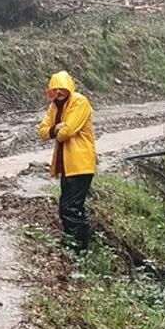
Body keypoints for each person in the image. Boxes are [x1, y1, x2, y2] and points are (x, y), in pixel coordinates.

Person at [38, 71, 97, 252]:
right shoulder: (54, 107)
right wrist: (56, 128)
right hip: (66, 166)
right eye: (55, 90)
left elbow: (67, 132)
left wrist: (55, 130)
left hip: (80, 164)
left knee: (69, 207)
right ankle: (80, 245)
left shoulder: (79, 102)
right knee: (72, 206)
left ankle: (77, 247)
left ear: (69, 88)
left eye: (62, 89)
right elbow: (42, 132)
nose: (59, 93)